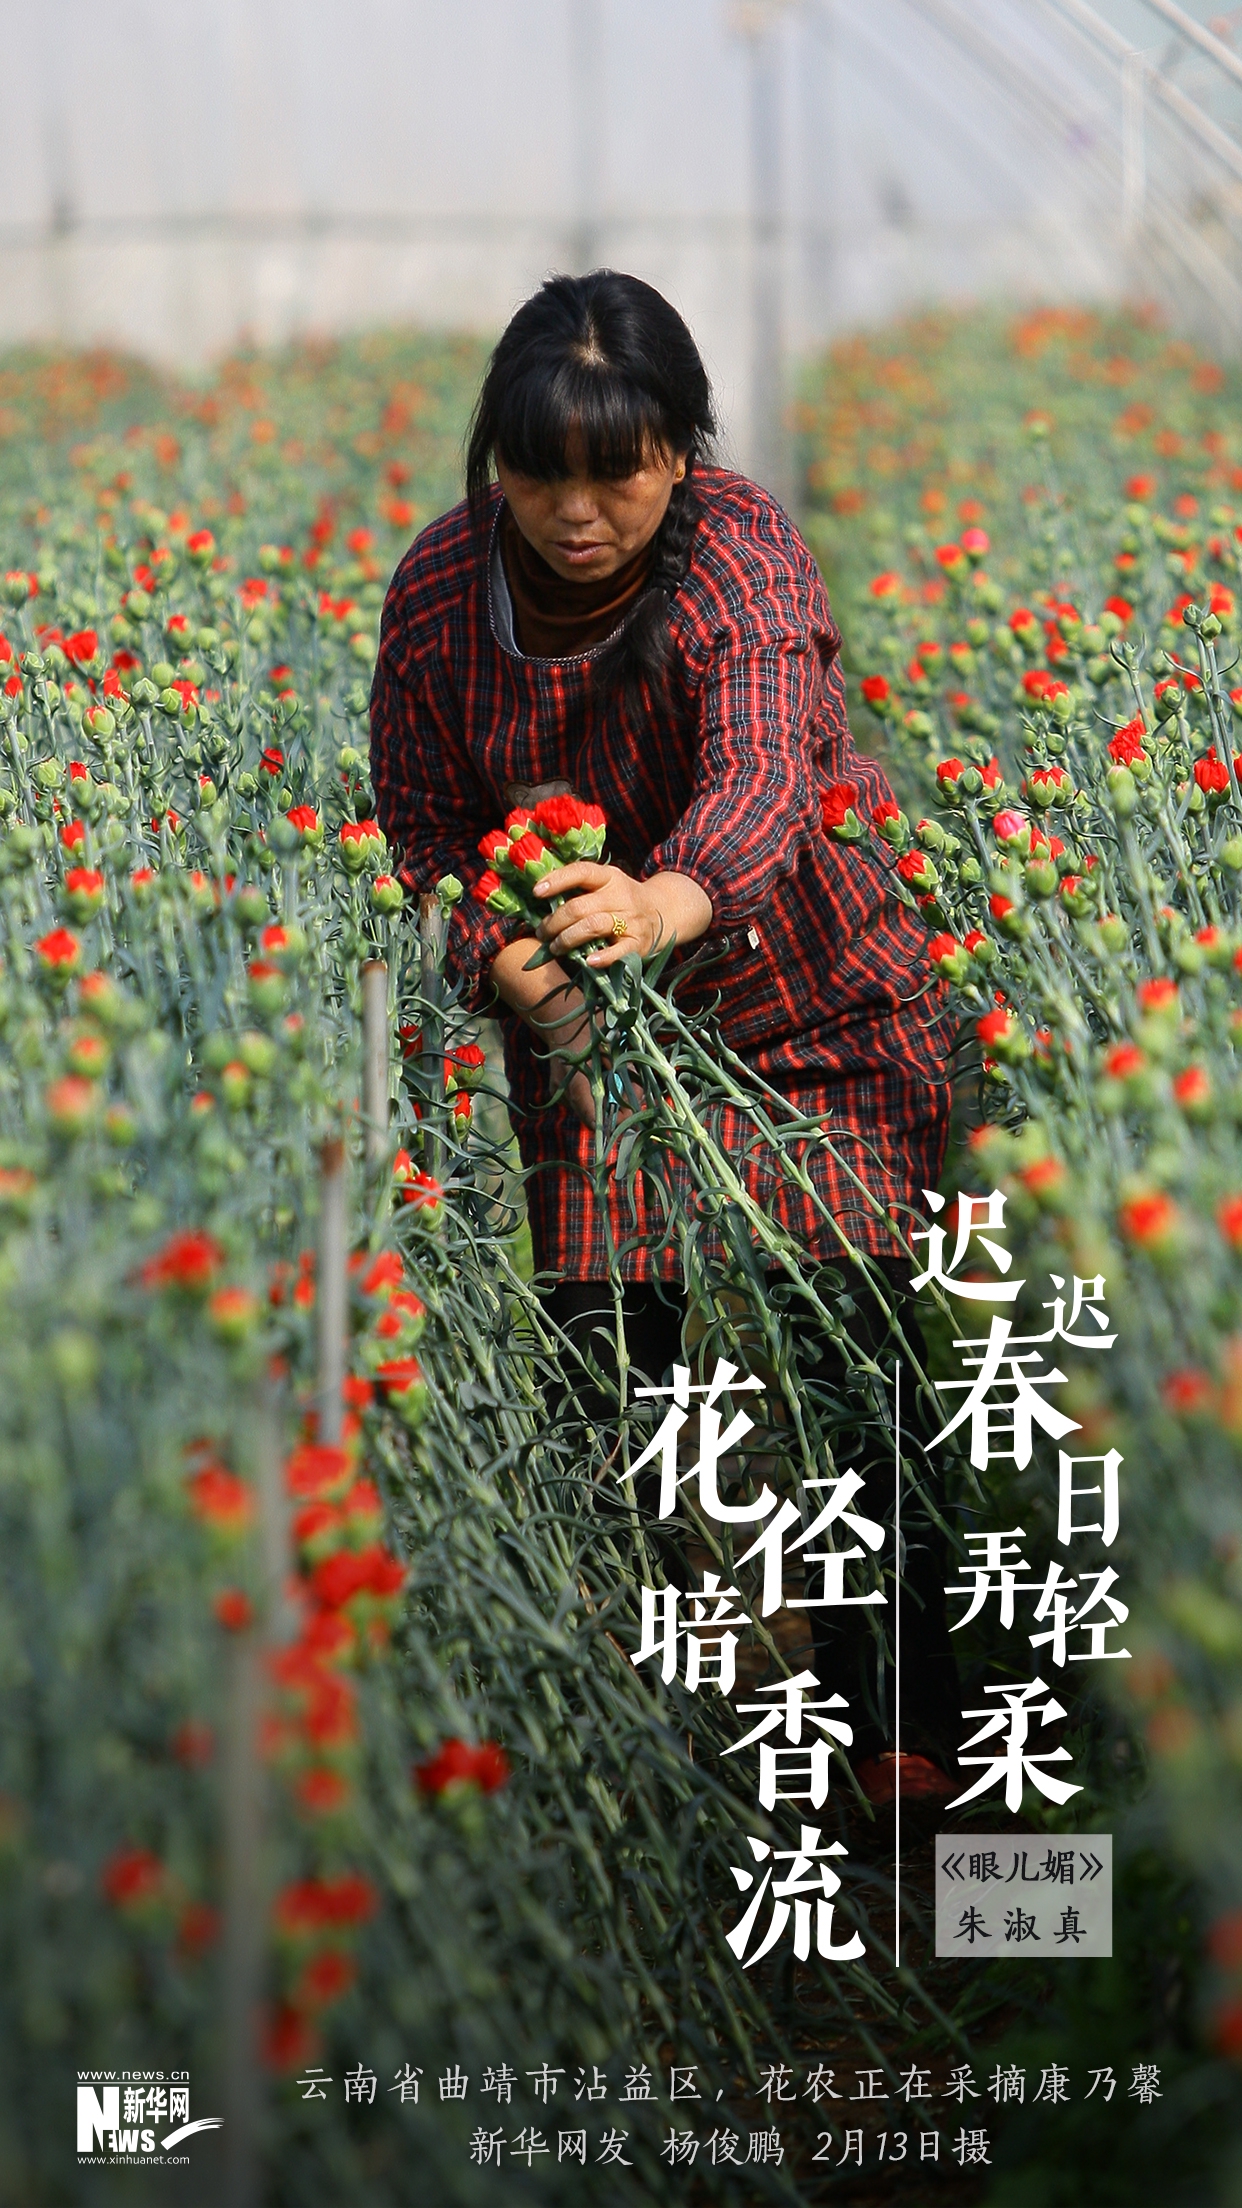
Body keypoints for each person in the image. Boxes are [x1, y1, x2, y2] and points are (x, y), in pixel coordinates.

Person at [370, 270, 958, 1787]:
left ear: (679, 455)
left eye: (615, 470)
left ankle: (893, 1734)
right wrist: (503, 954)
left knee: (860, 1351)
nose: (578, 510)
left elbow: (765, 763)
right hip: (587, 1025)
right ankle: (671, 1724)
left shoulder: (735, 547)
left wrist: (669, 899)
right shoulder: (441, 595)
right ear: (495, 461)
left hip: (800, 987)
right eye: (539, 471)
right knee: (606, 1375)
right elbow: (428, 826)